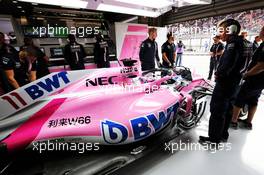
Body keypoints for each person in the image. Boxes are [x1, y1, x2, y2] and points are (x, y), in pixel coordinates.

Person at [199, 19, 246, 144]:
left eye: (222, 30)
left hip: (225, 84)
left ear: (231, 30)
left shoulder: (232, 44)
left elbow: (228, 64)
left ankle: (214, 139)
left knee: (217, 110)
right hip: (233, 83)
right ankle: (222, 135)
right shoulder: (239, 42)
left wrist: (219, 75)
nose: (220, 34)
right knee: (227, 109)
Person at [231, 26, 264, 130]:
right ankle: (248, 122)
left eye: (261, 30)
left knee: (240, 98)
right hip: (260, 81)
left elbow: (261, 65)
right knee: (254, 100)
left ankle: (233, 121)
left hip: (255, 78)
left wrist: (247, 74)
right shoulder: (262, 44)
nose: (260, 32)